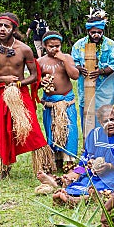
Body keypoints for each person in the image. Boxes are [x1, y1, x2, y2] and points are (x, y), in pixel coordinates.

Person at [0, 12, 54, 181]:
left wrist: (19, 84)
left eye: (6, 26)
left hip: (20, 94)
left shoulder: (24, 49)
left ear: (14, 29)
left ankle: (44, 166)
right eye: (0, 25)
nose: (2, 29)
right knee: (1, 130)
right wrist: (3, 79)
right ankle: (4, 169)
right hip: (1, 94)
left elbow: (34, 75)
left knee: (32, 129)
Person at [35, 105, 114, 206]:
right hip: (95, 175)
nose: (110, 124)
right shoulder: (95, 135)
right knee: (84, 183)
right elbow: (85, 159)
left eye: (112, 120)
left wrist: (109, 166)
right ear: (100, 122)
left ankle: (77, 199)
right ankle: (66, 190)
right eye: (105, 121)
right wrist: (87, 165)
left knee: (105, 187)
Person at [71, 10, 114, 130]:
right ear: (88, 31)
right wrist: (79, 68)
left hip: (105, 88)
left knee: (104, 114)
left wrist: (101, 71)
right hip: (85, 85)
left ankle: (103, 142)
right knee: (87, 113)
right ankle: (87, 144)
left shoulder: (110, 44)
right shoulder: (79, 45)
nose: (96, 35)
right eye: (93, 32)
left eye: (99, 32)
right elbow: (73, 62)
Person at [37, 31, 80, 170]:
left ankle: (69, 161)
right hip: (51, 103)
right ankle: (57, 160)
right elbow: (35, 84)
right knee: (52, 130)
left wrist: (64, 60)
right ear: (44, 46)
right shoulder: (40, 61)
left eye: (57, 45)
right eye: (51, 46)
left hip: (66, 102)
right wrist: (42, 82)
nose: (55, 49)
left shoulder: (67, 57)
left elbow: (74, 75)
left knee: (70, 131)